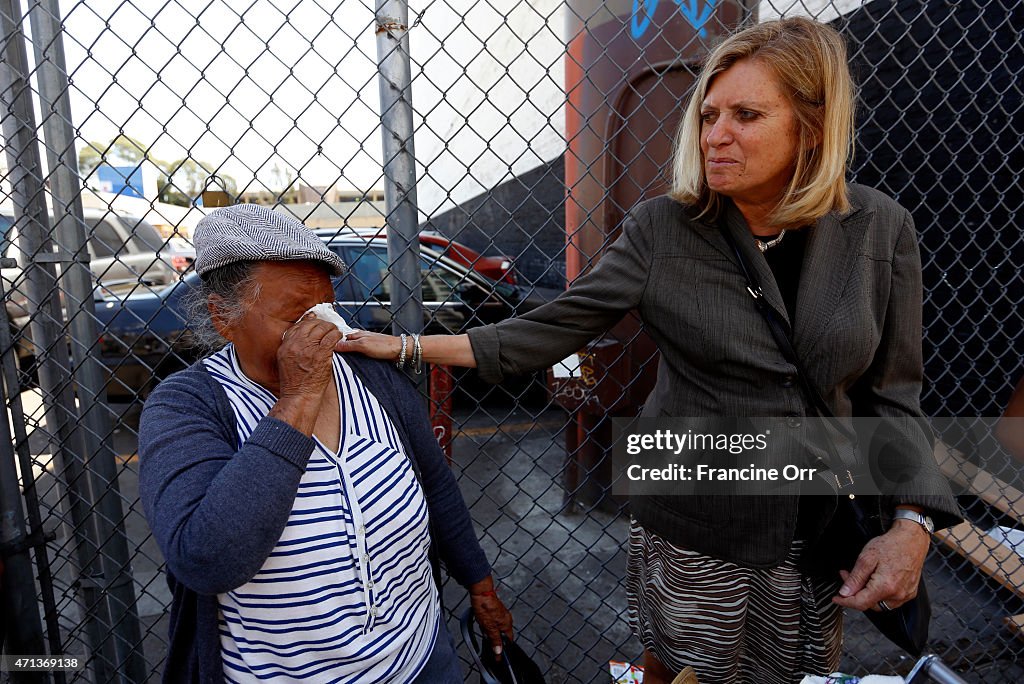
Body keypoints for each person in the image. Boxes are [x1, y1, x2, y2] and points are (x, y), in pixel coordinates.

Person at [337, 17, 962, 684]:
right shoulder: (664, 227)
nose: (715, 133)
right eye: (709, 113)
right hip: (693, 506)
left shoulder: (880, 228)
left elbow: (893, 391)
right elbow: (552, 327)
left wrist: (911, 523)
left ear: (812, 125)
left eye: (746, 115)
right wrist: (405, 344)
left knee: (790, 674)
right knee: (689, 666)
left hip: (815, 520)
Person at [138, 203, 512, 683]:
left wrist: (480, 586)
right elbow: (209, 559)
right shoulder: (188, 405)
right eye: (296, 315)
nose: (325, 332)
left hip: (418, 658)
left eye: (325, 309)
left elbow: (436, 486)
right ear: (223, 318)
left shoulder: (372, 375)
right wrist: (298, 398)